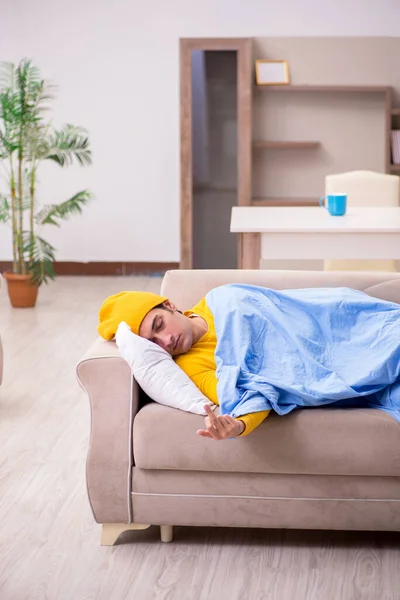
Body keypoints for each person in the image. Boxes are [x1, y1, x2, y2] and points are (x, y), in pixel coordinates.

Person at [98, 284, 400, 441]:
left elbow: (291, 309)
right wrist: (238, 425)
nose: (165, 341)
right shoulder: (191, 366)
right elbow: (251, 392)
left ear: (169, 305)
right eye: (153, 343)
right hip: (329, 364)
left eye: (159, 325)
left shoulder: (221, 298)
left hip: (339, 321)